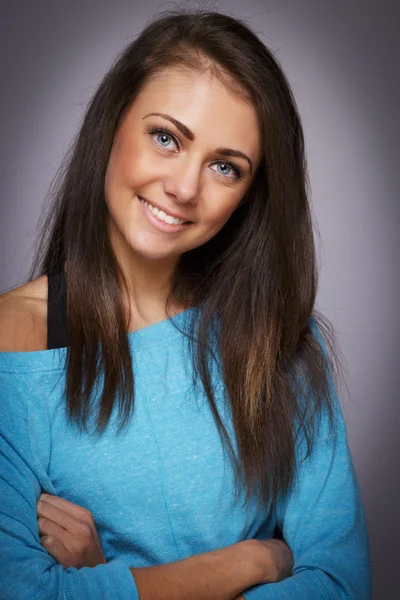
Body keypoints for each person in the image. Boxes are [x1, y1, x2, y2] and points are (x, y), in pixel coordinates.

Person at [0, 8, 371, 600]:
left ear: (249, 196)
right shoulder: (13, 347)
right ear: (112, 124)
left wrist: (105, 580)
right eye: (166, 137)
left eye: (225, 167)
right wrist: (251, 560)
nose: (185, 188)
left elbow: (338, 584)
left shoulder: (282, 343)